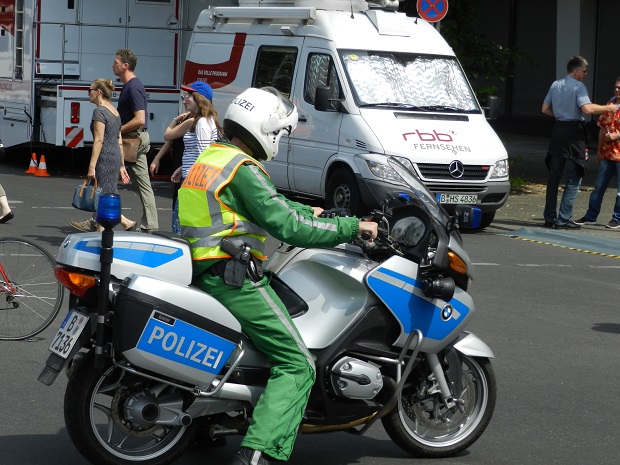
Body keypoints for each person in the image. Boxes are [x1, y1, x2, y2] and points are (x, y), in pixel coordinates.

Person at [177, 87, 378, 465]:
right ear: (265, 128)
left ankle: (206, 426)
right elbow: (287, 226)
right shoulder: (244, 169)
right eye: (281, 133)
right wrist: (353, 227)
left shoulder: (217, 157)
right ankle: (260, 453)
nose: (280, 141)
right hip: (231, 275)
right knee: (298, 363)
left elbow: (271, 204)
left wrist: (312, 211)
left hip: (204, 268)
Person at [542, 55, 620, 230]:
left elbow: (545, 109)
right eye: (584, 71)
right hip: (574, 134)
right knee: (574, 177)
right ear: (576, 71)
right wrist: (608, 107)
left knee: (554, 177)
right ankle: (563, 219)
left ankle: (549, 217)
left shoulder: (555, 84)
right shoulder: (579, 86)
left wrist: (561, 114)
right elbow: (586, 108)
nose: (585, 74)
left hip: (558, 131)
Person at [69, 79, 132, 232]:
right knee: (106, 193)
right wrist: (122, 164)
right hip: (114, 156)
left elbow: (99, 140)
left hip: (105, 157)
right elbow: (119, 140)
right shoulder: (114, 111)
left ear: (98, 92)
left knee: (102, 196)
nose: (88, 93)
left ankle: (104, 234)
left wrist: (91, 167)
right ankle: (123, 222)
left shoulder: (100, 112)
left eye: (90, 90)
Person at [163, 81, 221, 233]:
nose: (184, 100)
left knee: (180, 225)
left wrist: (188, 174)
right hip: (192, 177)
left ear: (199, 98)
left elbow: (204, 154)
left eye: (188, 96)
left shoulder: (201, 122)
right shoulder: (203, 120)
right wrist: (182, 168)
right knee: (183, 223)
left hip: (193, 181)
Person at [113, 49, 158, 233]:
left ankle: (99, 220)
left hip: (133, 140)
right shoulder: (131, 85)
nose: (112, 65)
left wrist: (118, 130)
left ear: (126, 65)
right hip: (134, 139)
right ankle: (150, 224)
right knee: (142, 184)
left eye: (116, 62)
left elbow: (140, 119)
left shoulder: (133, 87)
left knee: (104, 178)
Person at [575, 78, 620, 229]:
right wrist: (599, 150)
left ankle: (617, 218)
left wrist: (617, 135)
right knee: (599, 186)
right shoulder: (610, 104)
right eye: (615, 87)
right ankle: (591, 216)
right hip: (607, 153)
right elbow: (601, 128)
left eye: (619, 88)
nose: (617, 90)